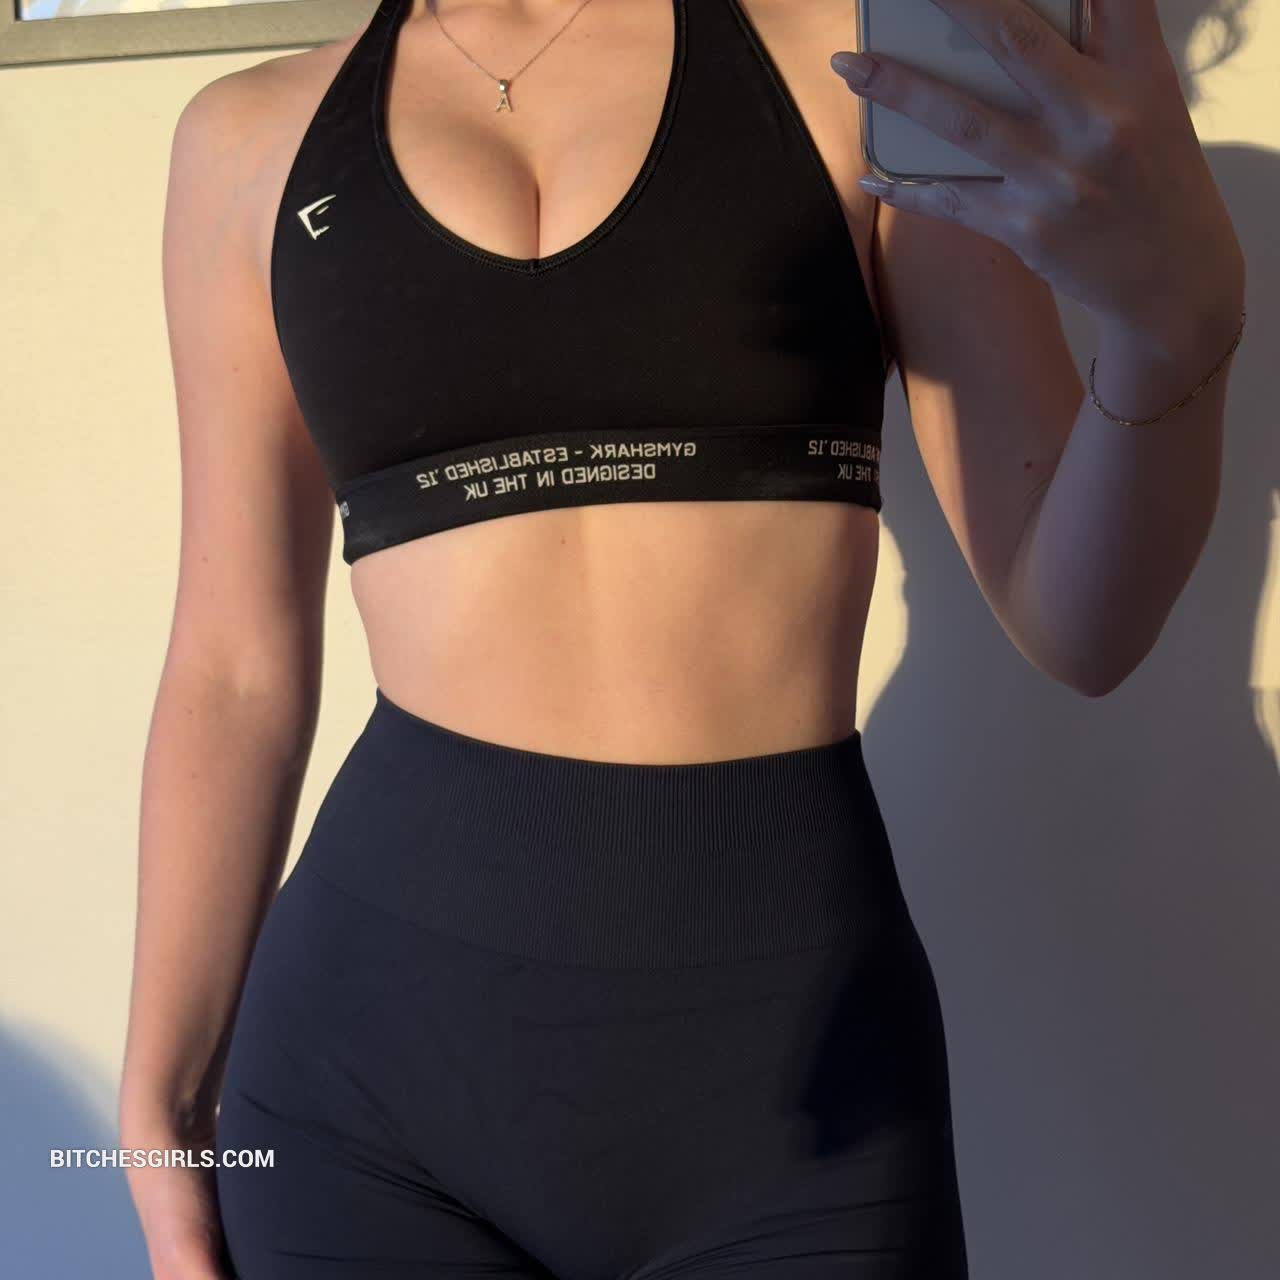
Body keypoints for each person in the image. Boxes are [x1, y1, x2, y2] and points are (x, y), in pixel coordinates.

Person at [118, 1, 1244, 1277]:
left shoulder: (858, 64)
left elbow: (1081, 627)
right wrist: (152, 1112)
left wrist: (1177, 325)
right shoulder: (246, 138)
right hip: (362, 1099)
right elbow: (234, 666)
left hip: (797, 1092)